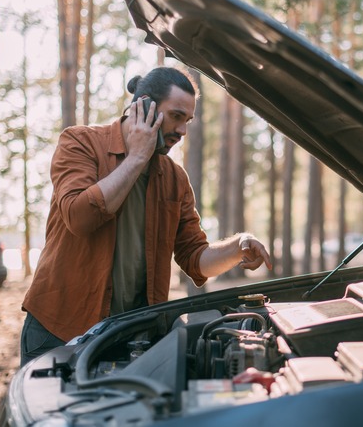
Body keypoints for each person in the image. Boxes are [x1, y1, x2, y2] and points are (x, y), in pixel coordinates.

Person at [20, 67, 272, 366]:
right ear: (143, 108)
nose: (182, 131)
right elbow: (79, 217)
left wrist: (238, 246)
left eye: (187, 120)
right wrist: (137, 157)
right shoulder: (80, 142)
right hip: (58, 329)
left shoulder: (175, 179)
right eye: (176, 116)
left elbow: (194, 256)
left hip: (130, 336)